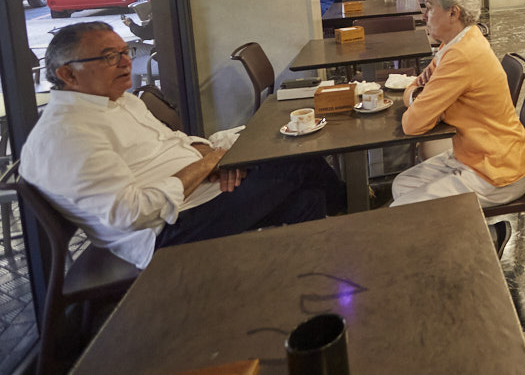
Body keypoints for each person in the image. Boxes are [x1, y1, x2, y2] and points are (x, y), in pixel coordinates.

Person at [20, 22, 344, 269]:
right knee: (297, 158)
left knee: (308, 198)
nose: (125, 63)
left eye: (125, 52)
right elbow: (130, 215)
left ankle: (306, 273)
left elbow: (179, 141)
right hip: (167, 233)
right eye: (109, 57)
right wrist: (208, 164)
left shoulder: (121, 102)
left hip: (201, 194)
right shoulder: (68, 133)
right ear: (68, 74)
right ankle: (356, 213)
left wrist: (214, 160)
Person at [390, 0, 525, 243]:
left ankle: (486, 240)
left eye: (430, 7)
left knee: (401, 211)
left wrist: (414, 98)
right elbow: (419, 85)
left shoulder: (461, 55)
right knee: (401, 186)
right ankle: (477, 238)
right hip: (474, 154)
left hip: (497, 170)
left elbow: (413, 124)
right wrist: (416, 95)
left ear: (453, 12)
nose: (424, 15)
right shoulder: (457, 41)